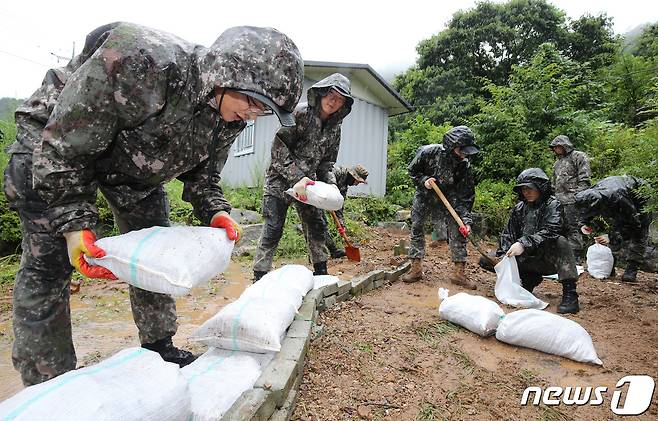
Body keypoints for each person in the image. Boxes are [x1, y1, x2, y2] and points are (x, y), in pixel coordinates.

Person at [2, 22, 304, 386]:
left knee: (153, 251)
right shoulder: (143, 62)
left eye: (264, 109)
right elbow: (65, 148)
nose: (254, 114)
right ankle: (49, 383)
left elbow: (203, 174)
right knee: (48, 264)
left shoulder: (231, 109)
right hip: (54, 148)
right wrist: (73, 223)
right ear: (226, 75)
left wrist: (215, 210)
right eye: (254, 103)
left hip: (132, 167)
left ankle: (159, 345)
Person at [253, 74, 354, 281]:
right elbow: (279, 149)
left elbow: (327, 164)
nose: (333, 102)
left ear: (344, 105)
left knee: (316, 226)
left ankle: (321, 272)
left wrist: (331, 187)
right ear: (322, 93)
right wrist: (296, 177)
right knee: (273, 228)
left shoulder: (335, 129)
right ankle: (260, 275)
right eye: (331, 95)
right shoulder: (300, 113)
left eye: (340, 99)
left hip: (308, 186)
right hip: (280, 181)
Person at [479, 168, 580, 314]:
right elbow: (508, 234)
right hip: (526, 259)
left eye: (530, 188)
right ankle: (527, 279)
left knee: (561, 242)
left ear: (540, 188)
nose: (526, 192)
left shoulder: (553, 205)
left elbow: (552, 230)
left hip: (548, 259)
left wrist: (523, 243)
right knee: (487, 259)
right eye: (523, 189)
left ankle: (570, 293)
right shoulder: (519, 208)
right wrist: (504, 255)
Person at [400, 126, 479, 288]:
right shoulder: (429, 152)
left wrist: (466, 220)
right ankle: (416, 269)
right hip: (425, 195)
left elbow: (466, 196)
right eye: (462, 150)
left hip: (450, 199)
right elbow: (412, 171)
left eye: (466, 151)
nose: (464, 155)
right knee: (417, 227)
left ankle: (459, 274)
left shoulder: (464, 166)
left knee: (459, 230)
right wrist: (424, 181)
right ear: (452, 146)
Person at [575, 175, 651, 283]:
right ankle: (610, 266)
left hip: (640, 197)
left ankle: (632, 268)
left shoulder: (619, 199)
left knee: (639, 233)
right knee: (616, 227)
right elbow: (585, 211)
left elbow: (634, 224)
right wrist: (583, 224)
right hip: (618, 197)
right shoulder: (590, 195)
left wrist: (611, 237)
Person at [549, 135, 591, 262]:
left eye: (558, 146)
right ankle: (562, 256)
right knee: (559, 228)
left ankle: (576, 257)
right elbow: (553, 183)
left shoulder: (578, 156)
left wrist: (578, 196)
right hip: (559, 201)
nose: (556, 149)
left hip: (573, 200)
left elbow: (584, 178)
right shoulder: (557, 163)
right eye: (554, 147)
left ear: (565, 145)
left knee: (574, 228)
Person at [324, 164, 369, 258]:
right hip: (312, 196)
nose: (356, 184)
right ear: (353, 176)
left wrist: (341, 224)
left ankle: (333, 251)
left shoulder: (344, 187)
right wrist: (329, 197)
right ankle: (328, 252)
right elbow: (327, 182)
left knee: (321, 224)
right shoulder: (337, 172)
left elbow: (339, 206)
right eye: (357, 181)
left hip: (321, 201)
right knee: (320, 224)